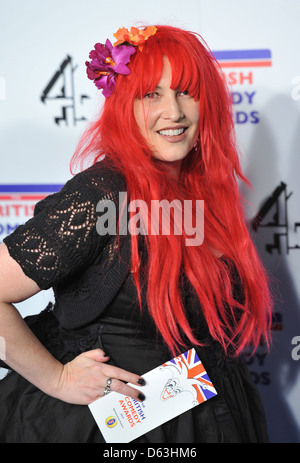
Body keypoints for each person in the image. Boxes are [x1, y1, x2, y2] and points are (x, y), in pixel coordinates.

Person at [0, 24, 273, 443]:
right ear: (125, 106)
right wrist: (57, 379)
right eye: (152, 95)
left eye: (186, 91)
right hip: (121, 431)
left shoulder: (207, 191)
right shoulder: (102, 196)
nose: (175, 112)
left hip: (213, 417)